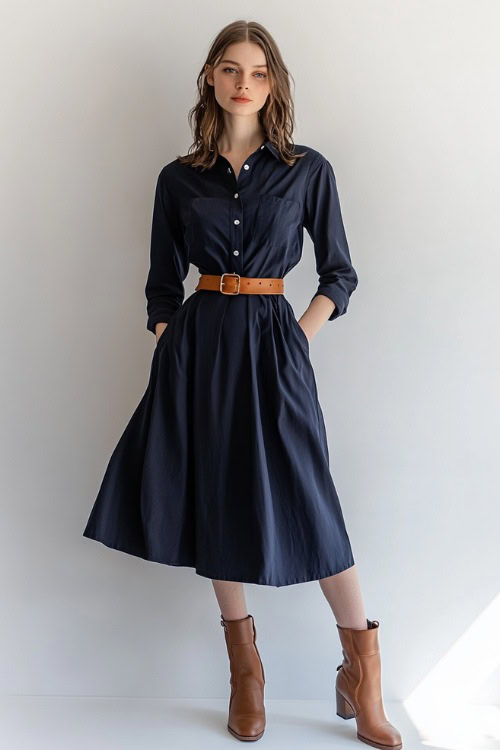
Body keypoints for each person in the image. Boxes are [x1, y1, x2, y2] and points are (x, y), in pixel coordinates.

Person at [82, 19, 402, 749]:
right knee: (217, 498)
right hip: (200, 349)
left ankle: (363, 672)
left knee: (313, 505)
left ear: (274, 84)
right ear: (210, 78)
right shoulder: (177, 178)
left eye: (258, 72)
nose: (244, 83)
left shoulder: (305, 170)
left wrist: (298, 337)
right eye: (231, 69)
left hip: (274, 345)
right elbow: (162, 287)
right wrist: (172, 342)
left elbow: (340, 273)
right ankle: (246, 673)